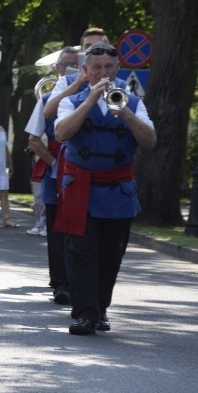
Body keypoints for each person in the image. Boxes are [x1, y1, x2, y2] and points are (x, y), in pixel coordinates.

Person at [54, 41, 156, 335]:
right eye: (96, 68)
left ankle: (100, 309)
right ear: (85, 71)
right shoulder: (71, 101)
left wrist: (125, 113)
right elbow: (61, 133)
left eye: (108, 68)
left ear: (117, 69)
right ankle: (84, 314)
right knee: (83, 253)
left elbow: (150, 141)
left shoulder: (134, 102)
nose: (103, 73)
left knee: (111, 255)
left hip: (117, 192)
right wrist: (88, 102)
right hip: (81, 190)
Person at [25, 46, 79, 304]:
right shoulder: (46, 100)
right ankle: (60, 282)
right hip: (56, 174)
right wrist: (55, 162)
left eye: (75, 64)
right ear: (57, 68)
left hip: (83, 174)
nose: (70, 68)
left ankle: (79, 280)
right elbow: (34, 140)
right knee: (57, 229)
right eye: (65, 64)